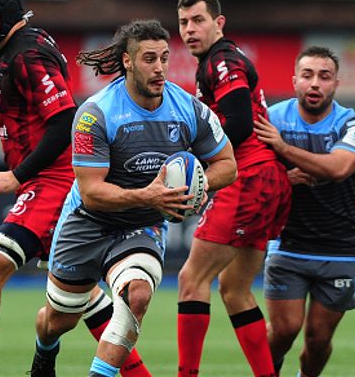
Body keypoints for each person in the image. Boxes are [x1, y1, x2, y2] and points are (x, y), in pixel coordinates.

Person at [0, 0, 149, 377]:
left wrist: (16, 176)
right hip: (52, 181)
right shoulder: (17, 49)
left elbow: (64, 119)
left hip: (54, 182)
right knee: (78, 298)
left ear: (7, 12)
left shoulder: (27, 53)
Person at [31, 19, 237, 377]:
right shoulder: (95, 114)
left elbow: (227, 164)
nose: (159, 68)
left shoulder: (188, 109)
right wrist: (150, 195)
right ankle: (44, 354)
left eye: (163, 58)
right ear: (127, 61)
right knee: (59, 319)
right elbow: (93, 193)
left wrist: (198, 186)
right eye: (148, 59)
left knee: (136, 295)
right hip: (86, 223)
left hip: (141, 226)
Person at [176, 0, 292, 377]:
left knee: (192, 280)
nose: (190, 29)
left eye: (198, 20)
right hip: (266, 179)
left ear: (218, 23)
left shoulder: (222, 60)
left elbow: (239, 124)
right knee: (234, 288)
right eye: (184, 23)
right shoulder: (218, 60)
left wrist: (191, 151)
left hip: (249, 176)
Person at [254, 46, 355, 377]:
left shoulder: (354, 124)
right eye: (307, 76)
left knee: (318, 340)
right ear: (294, 81)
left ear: (336, 84)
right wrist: (282, 177)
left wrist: (284, 149)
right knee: (284, 331)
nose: (315, 84)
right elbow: (248, 172)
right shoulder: (272, 119)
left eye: (324, 76)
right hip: (287, 243)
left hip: (341, 246)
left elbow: (339, 167)